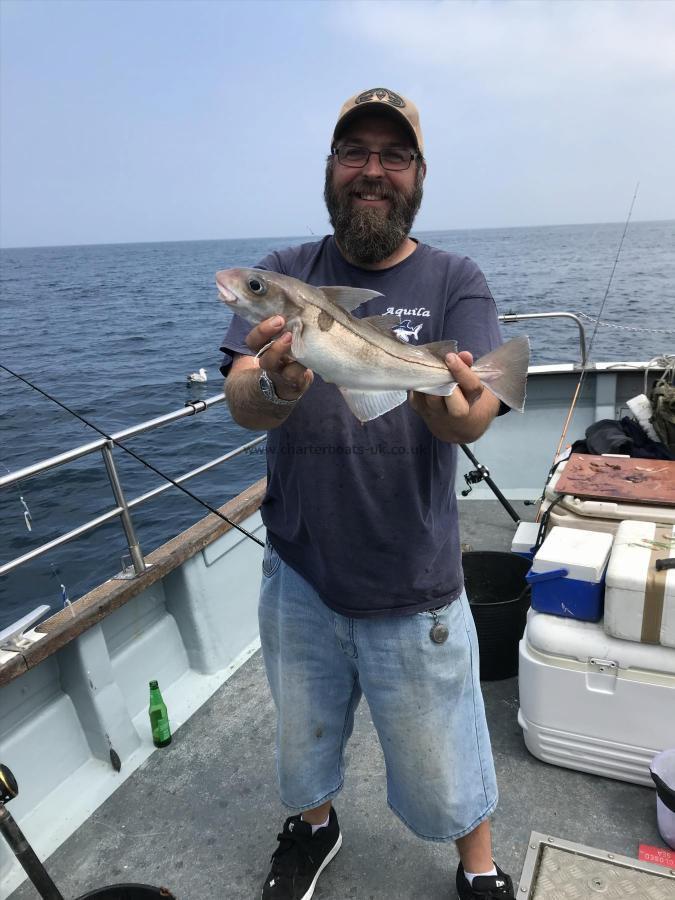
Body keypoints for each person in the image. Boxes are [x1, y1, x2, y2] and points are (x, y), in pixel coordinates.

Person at [220, 87, 516, 900]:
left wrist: (448, 401)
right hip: (301, 568)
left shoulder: (455, 276)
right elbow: (244, 400)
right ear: (331, 168)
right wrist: (277, 385)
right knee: (301, 738)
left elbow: (475, 416)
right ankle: (314, 829)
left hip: (411, 577)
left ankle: (478, 868)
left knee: (444, 751)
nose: (372, 171)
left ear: (418, 174)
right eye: (355, 153)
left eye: (392, 156)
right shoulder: (284, 273)